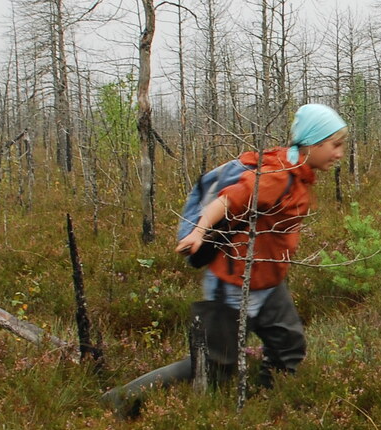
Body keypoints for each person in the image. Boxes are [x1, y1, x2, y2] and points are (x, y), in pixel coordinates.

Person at [101, 104, 349, 417]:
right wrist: (199, 232)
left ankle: (272, 410)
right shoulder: (276, 176)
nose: (339, 153)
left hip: (269, 281)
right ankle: (119, 400)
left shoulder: (298, 173)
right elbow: (227, 200)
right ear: (313, 143)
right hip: (231, 282)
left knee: (288, 348)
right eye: (335, 145)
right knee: (215, 362)